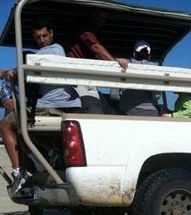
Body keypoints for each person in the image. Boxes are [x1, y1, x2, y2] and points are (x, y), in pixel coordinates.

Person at [0, 18, 81, 194]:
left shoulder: (53, 50)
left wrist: (9, 72)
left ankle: (19, 172)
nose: (42, 40)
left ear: (51, 33)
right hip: (63, 104)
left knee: (6, 125)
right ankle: (48, 156)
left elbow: (21, 69)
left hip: (54, 105)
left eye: (44, 36)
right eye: (38, 37)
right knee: (20, 122)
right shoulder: (49, 54)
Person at [67, 9, 127, 113]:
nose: (102, 22)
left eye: (105, 19)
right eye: (101, 18)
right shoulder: (83, 28)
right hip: (80, 80)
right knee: (96, 112)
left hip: (89, 82)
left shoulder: (94, 32)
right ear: (93, 15)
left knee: (111, 112)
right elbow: (96, 48)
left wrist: (116, 60)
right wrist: (115, 64)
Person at [119, 41, 160, 116]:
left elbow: (114, 95)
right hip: (152, 111)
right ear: (149, 56)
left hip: (128, 110)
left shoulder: (123, 65)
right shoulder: (156, 68)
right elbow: (156, 95)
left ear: (134, 54)